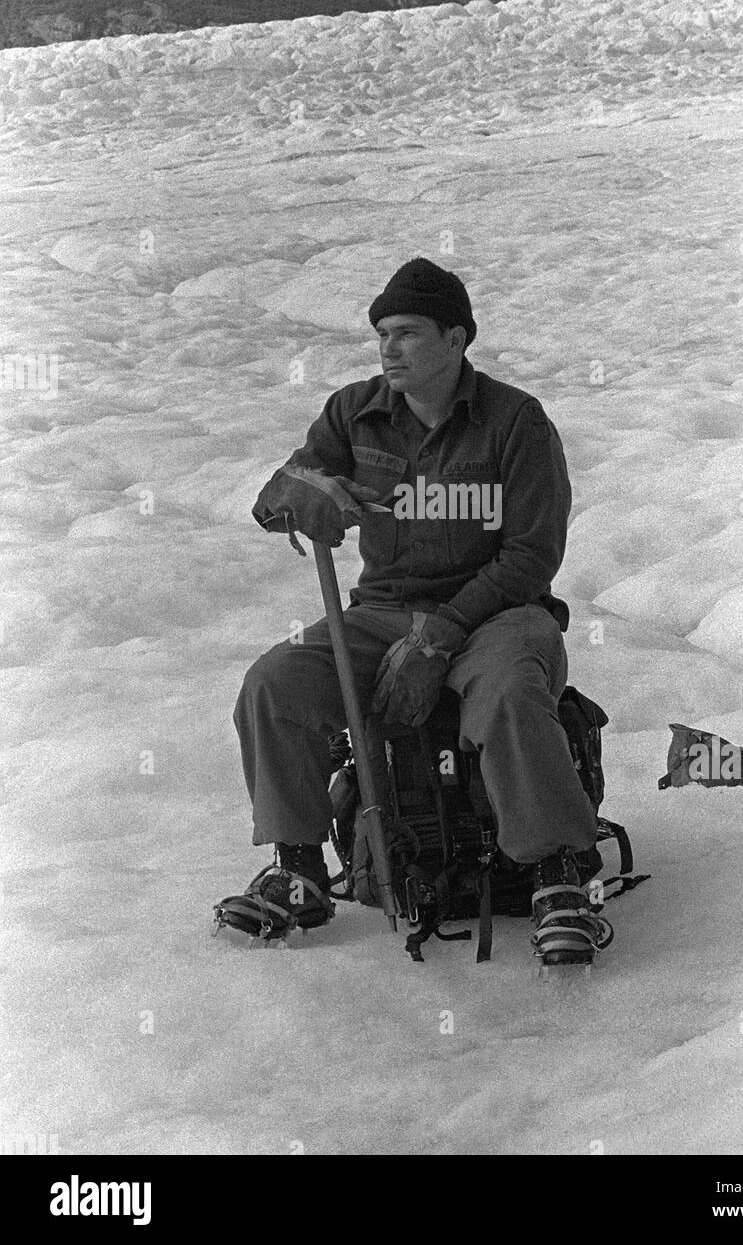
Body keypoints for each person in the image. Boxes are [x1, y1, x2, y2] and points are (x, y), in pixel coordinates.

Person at [214, 257, 604, 960]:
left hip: (499, 614)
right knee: (274, 686)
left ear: (456, 340)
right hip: (385, 610)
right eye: (381, 335)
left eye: (407, 333)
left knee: (510, 692)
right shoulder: (352, 411)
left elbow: (530, 555)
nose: (388, 350)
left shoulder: (515, 422)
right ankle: (298, 869)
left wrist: (442, 634)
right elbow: (283, 491)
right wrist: (292, 497)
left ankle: (557, 877)